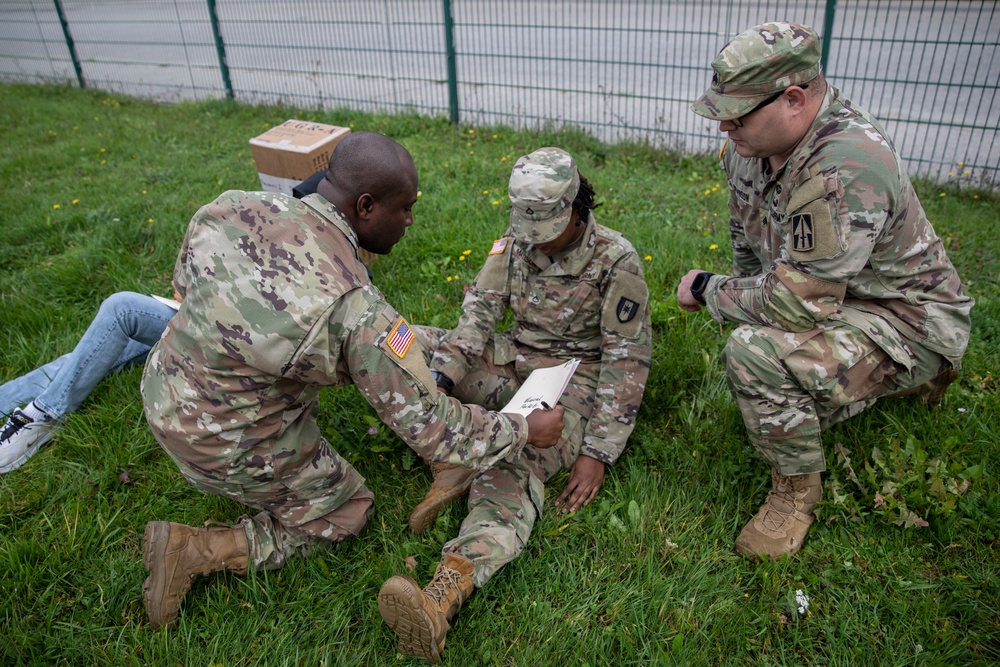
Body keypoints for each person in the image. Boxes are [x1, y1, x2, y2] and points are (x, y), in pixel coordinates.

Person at [138, 131, 565, 630]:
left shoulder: (232, 207)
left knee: (404, 345)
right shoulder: (356, 309)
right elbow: (430, 424)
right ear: (366, 206)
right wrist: (522, 431)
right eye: (404, 209)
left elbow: (184, 289)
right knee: (348, 512)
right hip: (221, 442)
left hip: (162, 388)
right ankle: (197, 549)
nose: (409, 221)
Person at [677, 22, 973, 561]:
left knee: (753, 353)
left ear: (793, 100)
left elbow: (793, 304)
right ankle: (872, 383)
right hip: (836, 296)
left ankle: (796, 492)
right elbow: (747, 240)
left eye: (737, 113)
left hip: (908, 318)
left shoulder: (847, 165)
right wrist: (742, 290)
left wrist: (706, 289)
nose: (723, 125)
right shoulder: (751, 146)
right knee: (763, 351)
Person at [378, 147, 651, 663]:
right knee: (395, 344)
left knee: (514, 462)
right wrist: (439, 379)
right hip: (513, 363)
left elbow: (627, 361)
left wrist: (598, 452)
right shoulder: (517, 237)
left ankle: (442, 595)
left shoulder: (617, 261)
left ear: (575, 205)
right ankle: (451, 454)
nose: (536, 238)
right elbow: (479, 316)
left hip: (574, 385)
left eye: (547, 224)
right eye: (528, 224)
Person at [0, 292, 178, 473]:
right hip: (191, 311)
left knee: (123, 308)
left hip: (203, 326)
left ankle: (45, 414)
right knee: (90, 353)